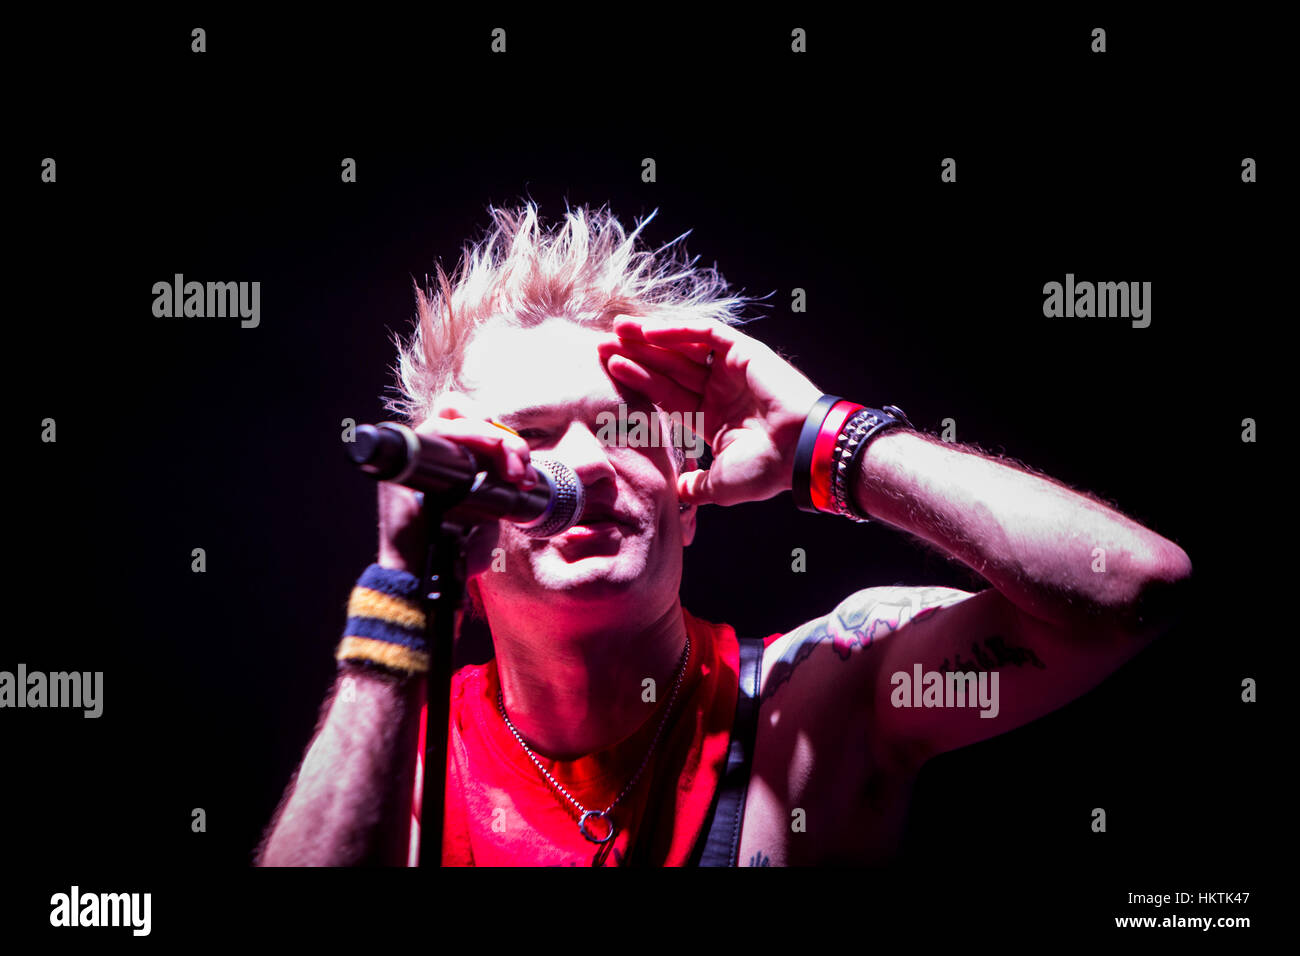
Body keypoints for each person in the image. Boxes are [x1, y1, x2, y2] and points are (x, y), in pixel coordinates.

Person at [255, 202, 1192, 867]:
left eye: (629, 429)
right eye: (533, 438)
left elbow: (1130, 591)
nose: (585, 463)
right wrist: (398, 600)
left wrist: (825, 440)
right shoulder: (405, 753)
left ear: (687, 499)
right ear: (464, 509)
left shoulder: (818, 701)